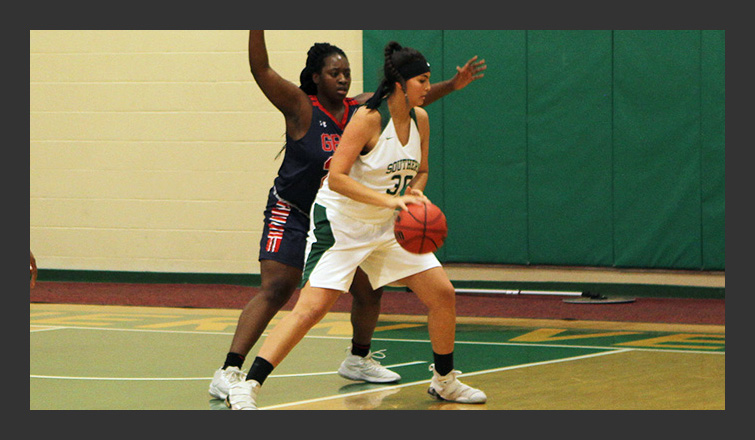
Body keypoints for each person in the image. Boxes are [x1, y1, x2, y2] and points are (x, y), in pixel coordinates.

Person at [209, 30, 486, 401]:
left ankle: (443, 380)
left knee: (441, 294)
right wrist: (390, 202)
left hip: (386, 225)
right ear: (400, 85)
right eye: (422, 80)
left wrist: (414, 194)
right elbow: (336, 179)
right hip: (339, 223)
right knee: (306, 307)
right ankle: (244, 383)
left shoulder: (417, 118)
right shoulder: (362, 116)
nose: (427, 86)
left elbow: (421, 168)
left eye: (346, 72)